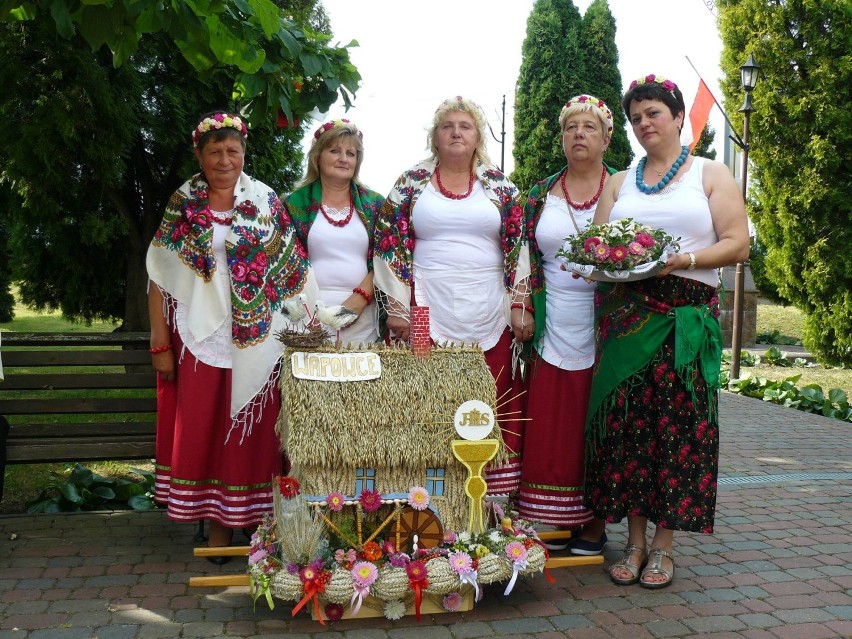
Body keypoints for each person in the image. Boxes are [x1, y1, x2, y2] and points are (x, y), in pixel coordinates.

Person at [585, 75, 750, 588]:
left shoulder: (709, 173)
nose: (643, 124)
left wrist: (687, 259)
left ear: (678, 117)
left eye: (653, 113)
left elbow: (738, 242)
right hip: (630, 318)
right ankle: (633, 543)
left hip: (684, 322)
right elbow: (598, 246)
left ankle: (663, 546)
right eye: (636, 118)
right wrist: (596, 261)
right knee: (631, 430)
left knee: (677, 431)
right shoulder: (620, 181)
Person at [147, 111, 318, 562]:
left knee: (250, 433)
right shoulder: (182, 203)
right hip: (197, 333)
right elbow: (160, 276)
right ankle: (217, 530)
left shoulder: (265, 202)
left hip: (257, 333)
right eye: (215, 151)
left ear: (244, 154)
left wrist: (307, 326)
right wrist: (160, 343)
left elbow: (292, 271)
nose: (225, 160)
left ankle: (251, 525)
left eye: (233, 151)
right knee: (205, 427)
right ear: (200, 155)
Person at [373, 96, 531, 494]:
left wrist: (520, 306)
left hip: (488, 306)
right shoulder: (411, 184)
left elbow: (518, 246)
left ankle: (489, 499)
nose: (457, 132)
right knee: (429, 393)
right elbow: (389, 243)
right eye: (448, 126)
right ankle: (431, 494)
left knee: (488, 392)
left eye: (465, 126)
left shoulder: (500, 187)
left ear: (478, 137)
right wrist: (396, 306)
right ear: (435, 138)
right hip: (427, 303)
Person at [518, 95, 615, 555]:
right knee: (552, 418)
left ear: (606, 137)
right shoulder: (539, 194)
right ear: (561, 137)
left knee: (594, 417)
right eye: (571, 127)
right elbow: (521, 254)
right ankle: (550, 518)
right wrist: (523, 303)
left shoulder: (623, 190)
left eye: (589, 127)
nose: (579, 133)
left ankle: (595, 522)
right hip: (551, 313)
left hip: (606, 319)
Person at [284, 119, 384, 344]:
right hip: (307, 315)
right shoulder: (293, 205)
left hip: (361, 312)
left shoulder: (375, 205)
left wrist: (358, 301)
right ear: (317, 156)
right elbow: (284, 264)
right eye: (334, 151)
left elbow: (387, 258)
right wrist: (307, 309)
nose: (343, 159)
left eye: (351, 153)